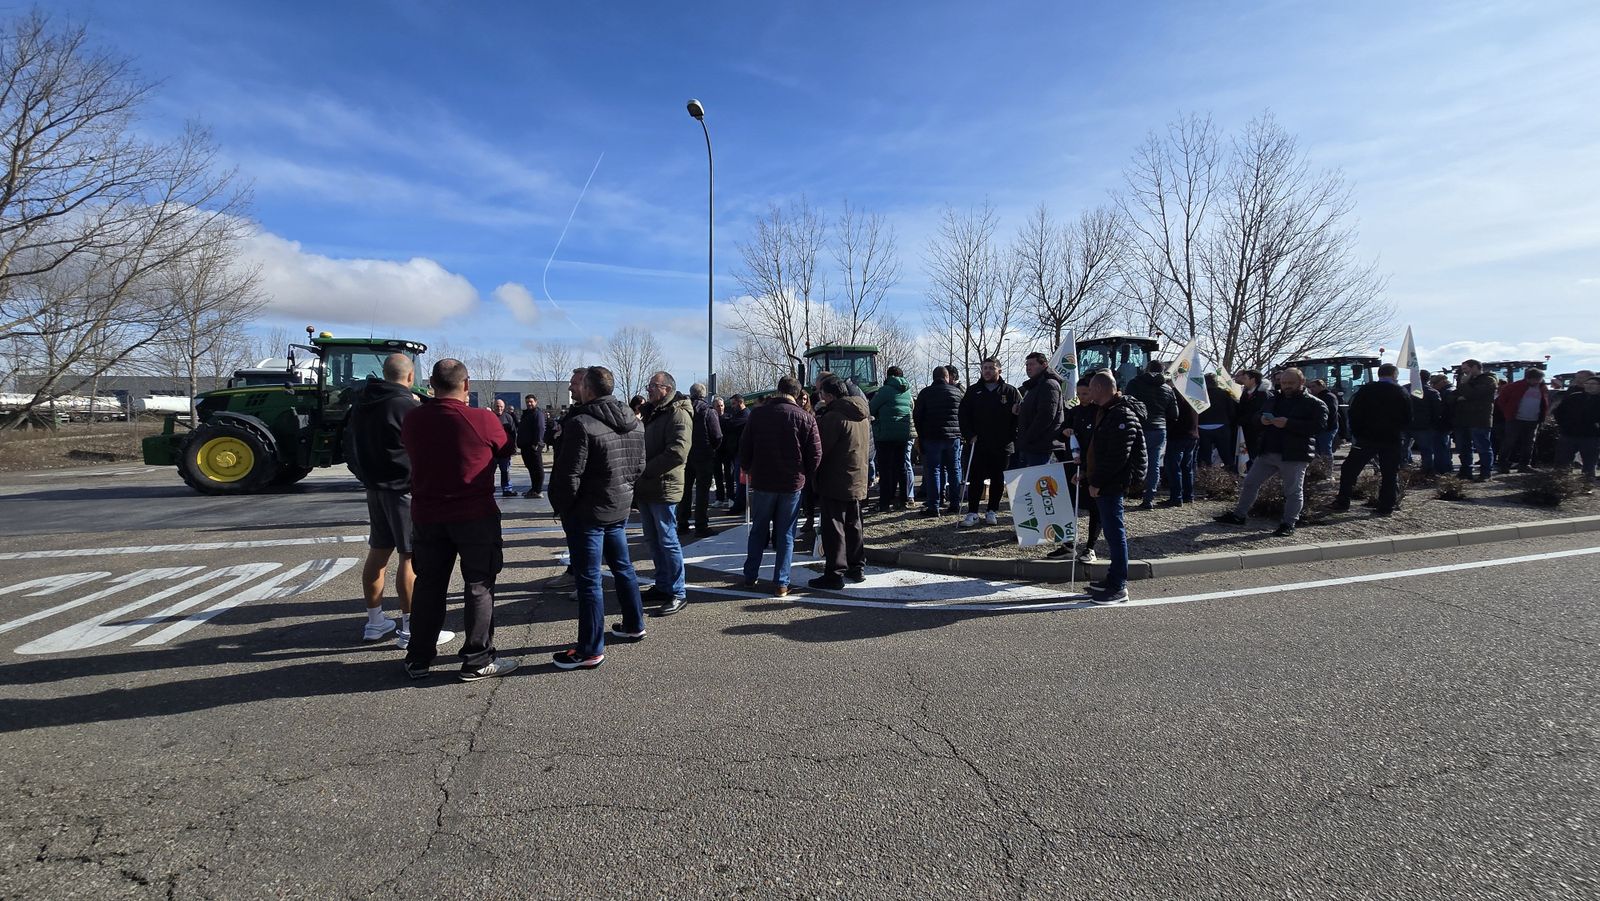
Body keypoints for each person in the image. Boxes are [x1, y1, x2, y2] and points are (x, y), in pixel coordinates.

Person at [399, 359, 516, 681]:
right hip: (474, 514)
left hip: (427, 514)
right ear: (466, 385)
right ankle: (477, 658)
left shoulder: (413, 419)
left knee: (429, 585)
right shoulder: (482, 418)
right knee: (479, 584)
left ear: (432, 385)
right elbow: (506, 449)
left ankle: (419, 657)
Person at [344, 353, 455, 651]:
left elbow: (350, 446)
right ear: (409, 377)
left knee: (377, 554)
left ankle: (374, 620)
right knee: (410, 556)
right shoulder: (406, 406)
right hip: (402, 489)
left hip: (374, 488)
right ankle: (411, 627)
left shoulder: (363, 403)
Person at [548, 365, 647, 669]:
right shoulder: (635, 422)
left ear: (589, 389)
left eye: (578, 385)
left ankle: (590, 649)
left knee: (589, 579)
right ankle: (633, 623)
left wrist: (563, 506)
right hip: (617, 505)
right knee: (622, 566)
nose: (573, 389)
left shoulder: (581, 423)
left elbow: (568, 476)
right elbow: (639, 467)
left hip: (589, 512)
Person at [1215, 367, 1326, 535]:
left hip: (1294, 454)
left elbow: (1319, 426)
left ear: (1302, 382)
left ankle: (1288, 524)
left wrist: (1289, 423)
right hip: (1269, 450)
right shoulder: (1273, 399)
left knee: (1293, 491)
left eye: (1291, 383)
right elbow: (1255, 418)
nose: (1286, 386)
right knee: (1250, 482)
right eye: (1283, 383)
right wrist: (1261, 420)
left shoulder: (1314, 403)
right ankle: (1239, 515)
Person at [739, 375, 821, 597]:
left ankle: (750, 576)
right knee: (786, 534)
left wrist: (747, 467)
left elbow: (745, 446)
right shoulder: (805, 418)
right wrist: (806, 474)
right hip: (792, 483)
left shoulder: (758, 414)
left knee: (758, 529)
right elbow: (815, 454)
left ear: (778, 390)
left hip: (763, 479)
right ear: (797, 393)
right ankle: (781, 583)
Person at [1079, 371, 1145, 605]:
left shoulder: (1121, 415)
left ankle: (1118, 586)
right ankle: (1112, 579)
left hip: (1112, 483)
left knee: (1115, 534)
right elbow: (1099, 450)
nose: (1088, 395)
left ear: (1099, 389)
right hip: (1106, 481)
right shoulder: (1108, 412)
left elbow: (1117, 456)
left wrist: (1097, 482)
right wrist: (1088, 475)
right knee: (1111, 531)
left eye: (1091, 389)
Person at [634, 371, 692, 617]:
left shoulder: (678, 413)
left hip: (664, 486)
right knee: (653, 539)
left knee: (668, 541)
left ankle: (678, 592)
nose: (648, 390)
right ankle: (662, 584)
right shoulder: (653, 412)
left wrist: (645, 469)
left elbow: (678, 452)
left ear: (666, 389)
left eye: (652, 386)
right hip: (648, 487)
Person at [809, 375, 871, 589]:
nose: (821, 398)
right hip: (858, 477)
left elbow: (820, 450)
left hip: (835, 478)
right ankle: (857, 567)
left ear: (829, 395)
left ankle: (834, 573)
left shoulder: (833, 417)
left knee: (834, 527)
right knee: (854, 525)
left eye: (823, 394)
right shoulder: (862, 414)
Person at [1329, 363, 1411, 516]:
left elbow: (1354, 413)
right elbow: (1408, 416)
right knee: (1389, 473)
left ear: (1379, 374)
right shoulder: (1401, 392)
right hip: (1392, 439)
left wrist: (1357, 433)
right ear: (1394, 375)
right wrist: (1400, 433)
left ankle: (1343, 501)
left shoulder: (1366, 390)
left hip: (1367, 438)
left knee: (1349, 470)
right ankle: (1386, 507)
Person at [958, 358, 1023, 527]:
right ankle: (972, 512)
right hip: (978, 443)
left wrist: (1013, 434)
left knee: (997, 478)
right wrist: (969, 435)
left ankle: (992, 511)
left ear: (999, 371)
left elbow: (1019, 417)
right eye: (984, 368)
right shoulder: (973, 391)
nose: (987, 371)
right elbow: (963, 416)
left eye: (991, 368)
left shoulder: (1010, 392)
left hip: (1002, 444)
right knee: (976, 478)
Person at [1050, 377, 1104, 564]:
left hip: (1091, 465)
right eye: (1079, 394)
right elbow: (1059, 432)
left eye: (1086, 394)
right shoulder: (1074, 411)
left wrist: (1088, 469)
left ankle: (1090, 547)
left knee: (1094, 508)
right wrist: (1064, 433)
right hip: (1072, 464)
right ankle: (1067, 544)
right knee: (1069, 505)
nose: (1082, 397)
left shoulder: (1100, 412)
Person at [912, 366, 963, 517]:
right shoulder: (957, 392)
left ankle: (934, 506)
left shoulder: (926, 393)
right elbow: (963, 414)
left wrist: (921, 435)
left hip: (931, 437)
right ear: (947, 377)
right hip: (953, 437)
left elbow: (917, 416)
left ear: (933, 378)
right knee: (954, 470)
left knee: (933, 470)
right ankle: (955, 504)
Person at [1126, 360, 1176, 509]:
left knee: (1131, 461)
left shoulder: (1135, 383)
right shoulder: (1168, 389)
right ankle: (1149, 498)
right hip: (1159, 430)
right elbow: (1174, 413)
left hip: (1139, 427)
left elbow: (1126, 402)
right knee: (1153, 464)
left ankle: (1127, 492)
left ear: (1146, 369)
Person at [678, 383, 722, 538]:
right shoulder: (707, 411)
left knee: (685, 490)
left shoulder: (682, 410)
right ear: (703, 394)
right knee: (702, 492)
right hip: (703, 455)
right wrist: (713, 448)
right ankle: (701, 525)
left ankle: (682, 523)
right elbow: (716, 435)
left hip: (685, 454)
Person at [869, 365, 914, 513]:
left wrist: (876, 422)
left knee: (885, 469)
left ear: (888, 377)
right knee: (901, 467)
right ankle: (903, 499)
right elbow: (911, 407)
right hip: (903, 434)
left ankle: (884, 502)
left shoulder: (885, 391)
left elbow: (871, 408)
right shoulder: (907, 391)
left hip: (886, 435)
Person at [1016, 351, 1066, 468]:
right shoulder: (1034, 387)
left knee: (1040, 485)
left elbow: (1046, 416)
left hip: (1042, 447)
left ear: (1044, 365)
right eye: (1027, 365)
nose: (1028, 368)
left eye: (1032, 364)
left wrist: (1027, 437)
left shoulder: (1049, 385)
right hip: (1032, 446)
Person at [1495, 368, 1550, 473]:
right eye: (1536, 379)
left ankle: (1524, 465)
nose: (1538, 382)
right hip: (1515, 419)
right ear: (1528, 378)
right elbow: (1501, 401)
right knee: (1509, 442)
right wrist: (1508, 413)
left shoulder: (1543, 388)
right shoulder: (1513, 387)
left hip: (1533, 420)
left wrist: (1542, 416)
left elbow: (1545, 403)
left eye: (1540, 379)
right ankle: (1503, 465)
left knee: (1529, 443)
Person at [1454, 359, 1499, 481]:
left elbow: (1474, 394)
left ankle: (1485, 473)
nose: (1463, 372)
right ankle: (1465, 471)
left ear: (1474, 367)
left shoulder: (1489, 380)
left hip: (1480, 419)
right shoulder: (1467, 380)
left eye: (1465, 369)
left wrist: (1465, 386)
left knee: (1483, 447)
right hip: (1464, 419)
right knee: (1464, 447)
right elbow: (1457, 395)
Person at [1552, 374, 1600, 485]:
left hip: (1591, 436)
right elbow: (1559, 412)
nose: (1589, 386)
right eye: (1587, 383)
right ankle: (1560, 483)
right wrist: (1563, 425)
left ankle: (1586, 484)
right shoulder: (1574, 396)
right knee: (1562, 460)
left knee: (1589, 462)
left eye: (1593, 384)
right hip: (1568, 434)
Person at [1162, 389, 1199, 507]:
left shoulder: (1174, 395)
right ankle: (1189, 495)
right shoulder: (1192, 394)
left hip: (1178, 435)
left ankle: (1176, 497)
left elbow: (1172, 415)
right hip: (1192, 434)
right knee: (1187, 468)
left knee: (1174, 468)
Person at [1402, 372, 1442, 473]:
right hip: (1424, 425)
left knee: (1403, 448)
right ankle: (1427, 470)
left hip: (1405, 424)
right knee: (1426, 450)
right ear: (1428, 379)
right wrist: (1434, 423)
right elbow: (1437, 410)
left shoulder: (1404, 389)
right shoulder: (1432, 392)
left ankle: (1404, 469)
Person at [1197, 373, 1238, 470]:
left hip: (1202, 428)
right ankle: (1233, 478)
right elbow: (1232, 411)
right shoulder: (1225, 393)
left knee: (1204, 457)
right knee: (1226, 455)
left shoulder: (1199, 394)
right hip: (1222, 427)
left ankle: (1204, 478)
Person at [720, 394, 750, 516]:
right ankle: (739, 503)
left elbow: (732, 424)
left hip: (741, 452)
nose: (732, 407)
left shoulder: (746, 415)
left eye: (733, 404)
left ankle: (739, 504)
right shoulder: (738, 415)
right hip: (736, 451)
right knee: (737, 479)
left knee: (740, 480)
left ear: (739, 402)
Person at [1234, 369, 1268, 472]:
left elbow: (1259, 412)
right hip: (1245, 431)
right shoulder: (1245, 393)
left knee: (1255, 457)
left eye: (1245, 378)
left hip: (1257, 432)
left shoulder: (1263, 394)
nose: (1243, 381)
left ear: (1253, 380)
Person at [516, 394, 546, 498]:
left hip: (533, 447)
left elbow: (540, 429)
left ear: (535, 402)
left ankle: (538, 490)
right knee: (531, 469)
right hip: (525, 447)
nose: (529, 404)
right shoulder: (526, 414)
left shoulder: (538, 414)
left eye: (531, 402)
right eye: (527, 402)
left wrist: (537, 445)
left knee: (537, 469)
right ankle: (533, 489)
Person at [1307, 379, 1341, 472]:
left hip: (1327, 428)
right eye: (1310, 387)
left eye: (1314, 386)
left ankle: (1327, 471)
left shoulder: (1329, 397)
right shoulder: (1316, 397)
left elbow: (1331, 412)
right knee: (1317, 450)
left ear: (1322, 386)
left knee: (1325, 450)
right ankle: (1318, 471)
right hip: (1319, 427)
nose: (1311, 389)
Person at [488, 398, 518, 498]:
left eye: (501, 406)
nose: (499, 408)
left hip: (504, 450)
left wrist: (513, 447)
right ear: (493, 407)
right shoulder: (489, 417)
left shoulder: (508, 417)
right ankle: (489, 489)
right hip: (492, 451)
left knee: (505, 470)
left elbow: (513, 433)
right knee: (489, 472)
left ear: (504, 407)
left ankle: (507, 489)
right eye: (497, 406)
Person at [1429, 373, 1457, 475]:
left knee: (1441, 448)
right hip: (1445, 423)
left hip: (1443, 423)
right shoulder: (1448, 391)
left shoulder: (1448, 392)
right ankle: (1446, 468)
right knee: (1444, 447)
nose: (1433, 385)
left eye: (1434, 383)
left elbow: (1446, 409)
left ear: (1442, 381)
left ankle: (1442, 469)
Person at [710, 395, 728, 506]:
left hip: (727, 451)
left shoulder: (728, 418)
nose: (720, 408)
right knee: (718, 476)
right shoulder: (712, 418)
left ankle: (731, 497)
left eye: (721, 406)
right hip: (716, 451)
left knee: (729, 476)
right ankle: (720, 498)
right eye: (718, 406)